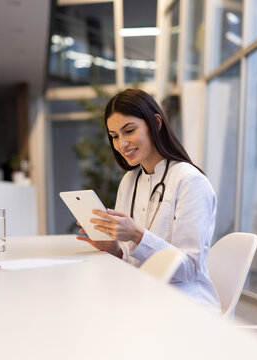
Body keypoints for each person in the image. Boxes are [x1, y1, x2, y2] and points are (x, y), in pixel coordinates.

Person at [76, 88, 221, 313]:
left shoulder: (189, 181)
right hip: (143, 297)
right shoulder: (130, 181)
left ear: (156, 123)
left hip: (187, 306)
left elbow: (191, 269)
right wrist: (114, 249)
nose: (122, 144)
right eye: (114, 136)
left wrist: (136, 234)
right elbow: (135, 263)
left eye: (129, 131)